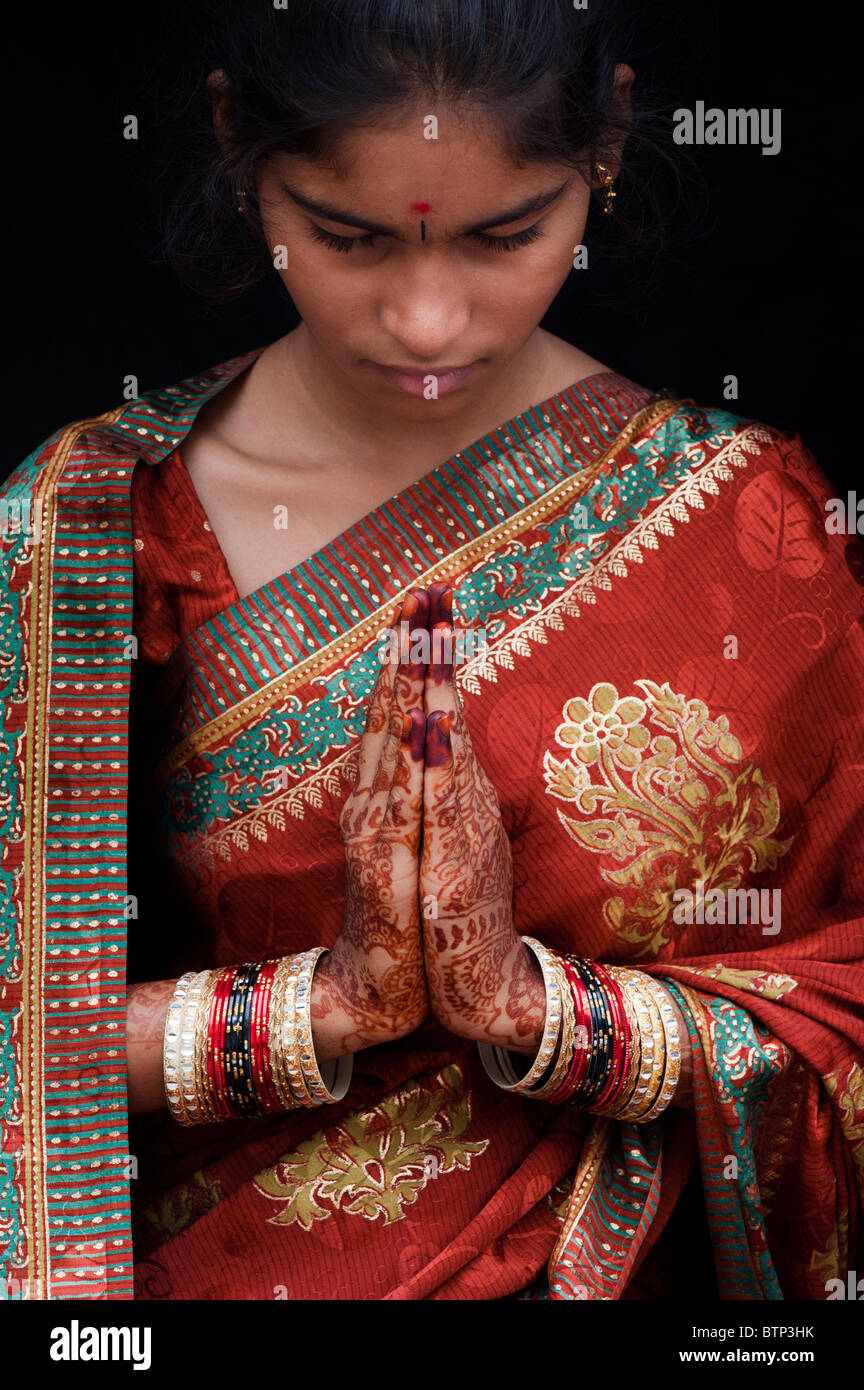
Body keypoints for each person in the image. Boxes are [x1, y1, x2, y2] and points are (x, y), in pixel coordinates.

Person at [1, 0, 861, 1302]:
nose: (424, 318)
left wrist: (537, 1008)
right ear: (238, 139)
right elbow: (19, 1040)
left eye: (507, 234)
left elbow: (838, 1004)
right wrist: (323, 1008)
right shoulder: (90, 523)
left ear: (607, 145)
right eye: (346, 237)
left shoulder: (756, 519)